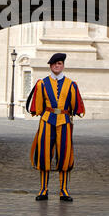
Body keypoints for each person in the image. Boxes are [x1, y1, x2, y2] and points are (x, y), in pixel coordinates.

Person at [26, 53, 85, 202]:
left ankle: (63, 190)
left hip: (64, 121)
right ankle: (43, 189)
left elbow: (75, 106)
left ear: (63, 65)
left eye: (59, 63)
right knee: (44, 154)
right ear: (50, 66)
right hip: (47, 120)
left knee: (65, 154)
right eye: (53, 64)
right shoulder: (42, 84)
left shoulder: (71, 84)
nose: (56, 66)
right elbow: (37, 106)